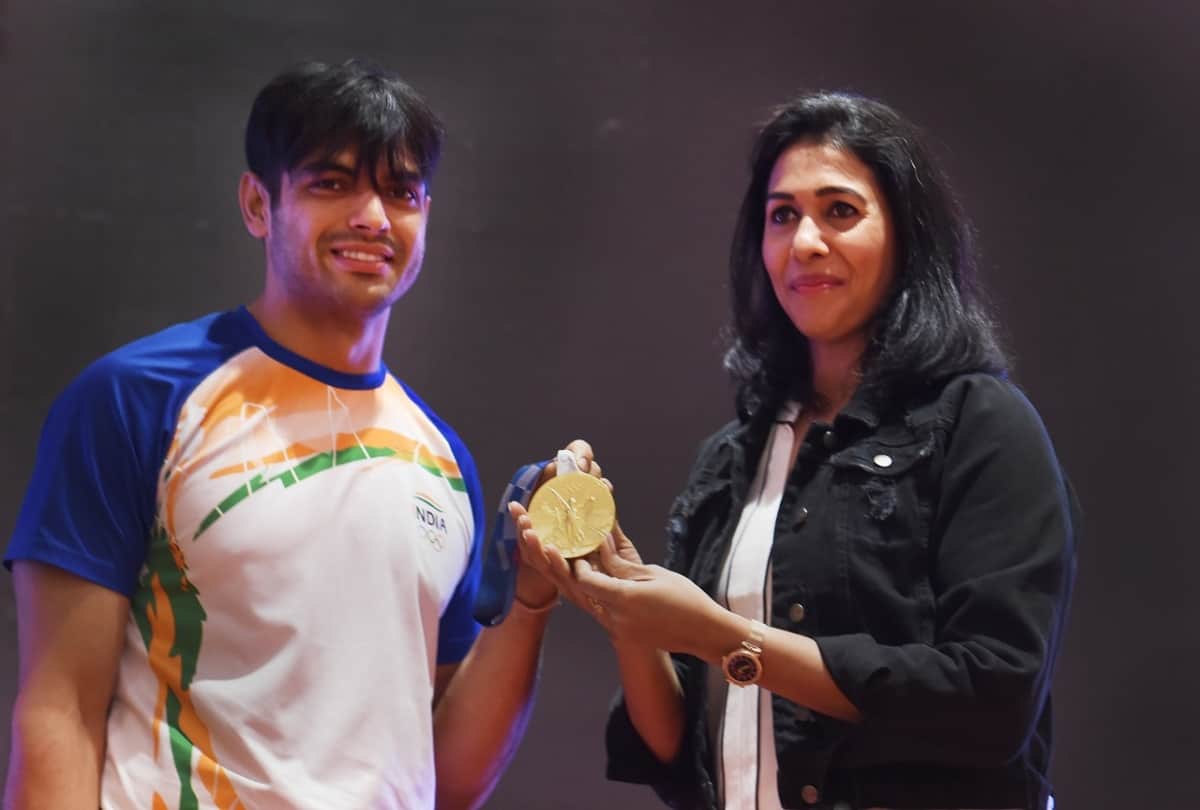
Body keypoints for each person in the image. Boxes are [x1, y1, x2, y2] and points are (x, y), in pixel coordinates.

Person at [3, 59, 575, 810]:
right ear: (256, 203)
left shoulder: (442, 460)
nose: (373, 216)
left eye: (401, 192)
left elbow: (446, 778)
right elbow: (59, 712)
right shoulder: (139, 400)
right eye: (331, 183)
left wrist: (530, 601)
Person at [513, 92, 1078, 810]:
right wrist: (626, 606)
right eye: (783, 216)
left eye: (839, 211)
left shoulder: (979, 422)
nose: (805, 241)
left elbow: (992, 699)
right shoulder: (733, 456)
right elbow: (677, 749)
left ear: (907, 234)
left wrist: (721, 637)